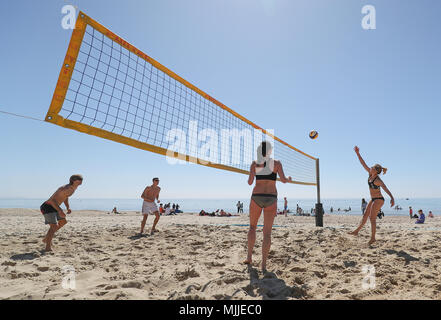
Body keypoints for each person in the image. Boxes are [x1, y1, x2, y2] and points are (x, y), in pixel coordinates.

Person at [244, 141, 292, 272]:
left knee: (252, 227)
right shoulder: (276, 163)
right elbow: (283, 180)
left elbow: (249, 183)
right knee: (267, 233)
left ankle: (249, 257)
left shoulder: (255, 164)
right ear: (270, 151)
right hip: (271, 198)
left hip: (257, 196)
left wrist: (252, 173)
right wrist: (288, 178)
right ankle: (263, 265)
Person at [349, 146, 394, 245]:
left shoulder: (378, 180)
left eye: (372, 167)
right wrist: (357, 153)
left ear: (376, 171)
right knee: (365, 215)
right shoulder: (370, 174)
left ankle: (373, 238)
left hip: (379, 199)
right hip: (373, 199)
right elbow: (363, 163)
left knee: (372, 218)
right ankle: (356, 231)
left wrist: (392, 198)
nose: (371, 167)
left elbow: (385, 188)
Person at [40, 174, 83, 252]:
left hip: (54, 207)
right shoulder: (65, 188)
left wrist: (67, 207)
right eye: (79, 180)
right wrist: (60, 210)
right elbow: (52, 200)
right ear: (73, 180)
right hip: (48, 206)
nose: (81, 181)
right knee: (54, 227)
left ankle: (46, 239)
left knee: (63, 222)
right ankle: (47, 247)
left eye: (81, 180)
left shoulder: (72, 189)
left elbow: (65, 197)